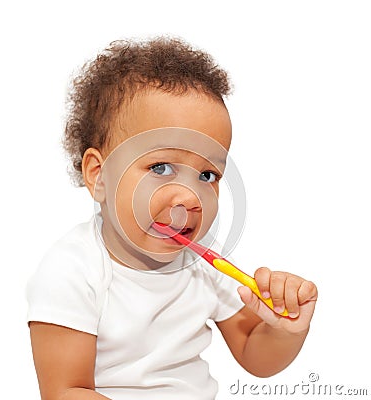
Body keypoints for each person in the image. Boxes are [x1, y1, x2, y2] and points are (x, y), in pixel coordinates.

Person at [27, 37, 318, 400]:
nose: (191, 197)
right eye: (160, 167)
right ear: (99, 175)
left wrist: (285, 329)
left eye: (207, 175)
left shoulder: (202, 264)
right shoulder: (73, 270)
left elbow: (255, 356)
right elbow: (65, 390)